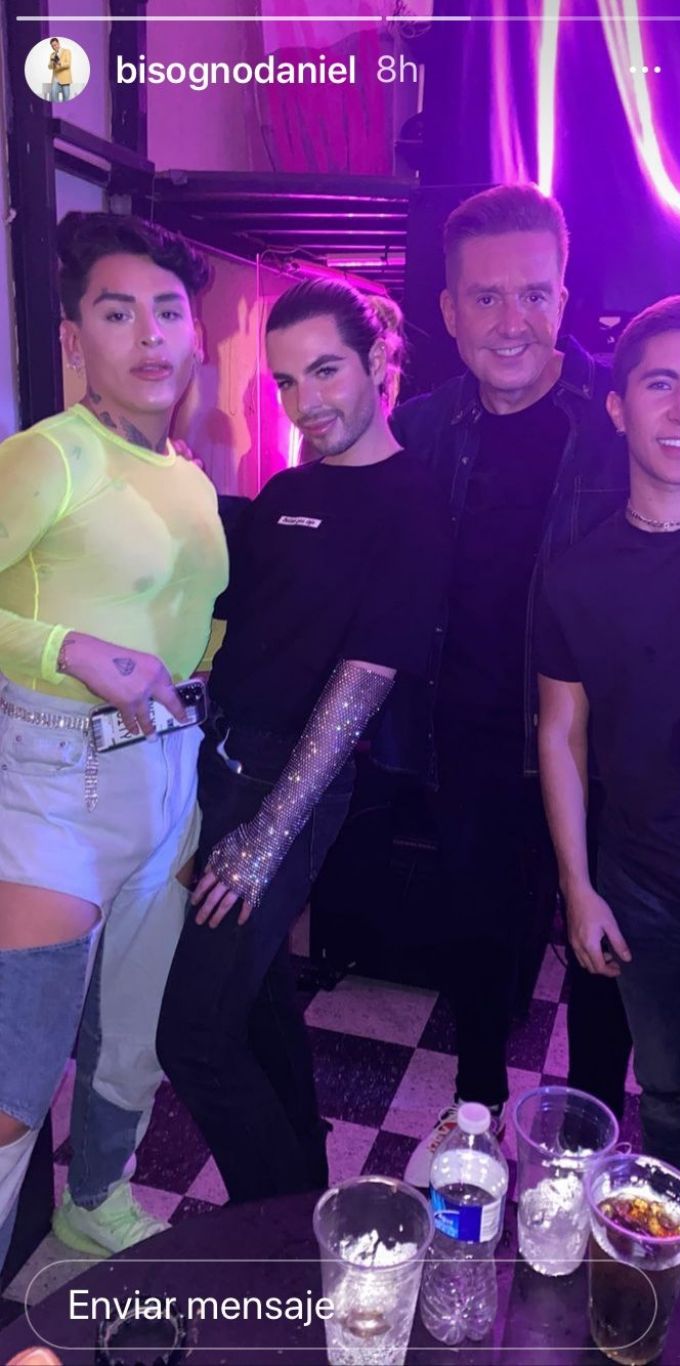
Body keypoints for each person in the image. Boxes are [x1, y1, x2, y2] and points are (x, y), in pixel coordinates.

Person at [382, 184, 680, 1187]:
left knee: (607, 964)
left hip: (610, 748)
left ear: (563, 297)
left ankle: (586, 1139)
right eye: (487, 297)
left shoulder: (621, 403)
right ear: (450, 309)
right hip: (466, 735)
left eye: (535, 294)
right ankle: (474, 1110)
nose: (512, 321)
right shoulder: (418, 430)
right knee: (474, 936)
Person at [156, 279, 449, 1201]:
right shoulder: (287, 489)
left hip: (290, 781)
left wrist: (266, 833)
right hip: (217, 764)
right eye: (285, 381)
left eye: (325, 371)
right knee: (255, 1002)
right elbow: (233, 629)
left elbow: (364, 678)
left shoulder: (413, 500)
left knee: (193, 1037)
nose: (305, 401)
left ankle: (276, 1234)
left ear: (377, 362)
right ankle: (302, 1190)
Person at [0, 212, 228, 1268]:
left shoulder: (187, 471)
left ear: (194, 334)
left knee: (129, 1045)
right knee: (15, 1075)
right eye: (116, 311)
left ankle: (93, 1202)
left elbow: (185, 617)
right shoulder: (50, 454)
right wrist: (71, 648)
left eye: (168, 312)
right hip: (57, 783)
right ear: (71, 337)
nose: (149, 335)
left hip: (168, 782)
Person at [536, 295, 680, 1238]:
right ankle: (672, 1278)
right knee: (666, 1096)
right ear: (617, 406)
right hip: (642, 888)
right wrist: (578, 886)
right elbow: (562, 732)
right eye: (659, 384)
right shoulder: (577, 572)